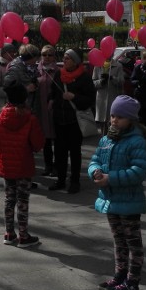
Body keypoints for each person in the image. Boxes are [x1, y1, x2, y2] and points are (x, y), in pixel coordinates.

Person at [88, 95, 146, 290]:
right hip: (110, 200)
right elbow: (95, 159)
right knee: (118, 241)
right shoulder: (106, 139)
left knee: (133, 243)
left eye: (120, 117)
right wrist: (95, 172)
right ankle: (120, 275)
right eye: (113, 115)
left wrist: (110, 178)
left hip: (129, 201)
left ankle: (133, 282)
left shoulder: (136, 141)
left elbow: (139, 171)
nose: (114, 120)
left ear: (131, 119)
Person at [0, 83, 45, 248]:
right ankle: (23, 234)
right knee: (22, 200)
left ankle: (9, 232)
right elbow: (37, 144)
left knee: (9, 199)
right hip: (24, 165)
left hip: (6, 165)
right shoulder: (30, 118)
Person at [48, 49, 96, 193]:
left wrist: (74, 97)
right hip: (59, 119)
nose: (64, 61)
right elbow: (53, 92)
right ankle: (60, 180)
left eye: (68, 58)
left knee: (75, 152)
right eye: (64, 58)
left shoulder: (84, 77)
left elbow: (89, 100)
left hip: (75, 121)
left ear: (75, 61)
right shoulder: (58, 74)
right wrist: (51, 100)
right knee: (59, 152)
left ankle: (75, 181)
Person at [36, 45, 59, 176]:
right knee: (45, 141)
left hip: (53, 110)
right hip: (41, 110)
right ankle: (48, 165)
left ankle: (57, 166)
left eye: (50, 54)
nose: (47, 57)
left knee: (57, 141)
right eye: (44, 54)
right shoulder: (36, 70)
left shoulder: (58, 71)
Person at [92, 56, 126, 135]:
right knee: (102, 122)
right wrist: (101, 82)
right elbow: (93, 82)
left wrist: (111, 78)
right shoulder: (97, 66)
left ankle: (111, 139)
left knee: (112, 121)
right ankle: (103, 140)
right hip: (101, 98)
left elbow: (121, 81)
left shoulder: (118, 65)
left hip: (113, 97)